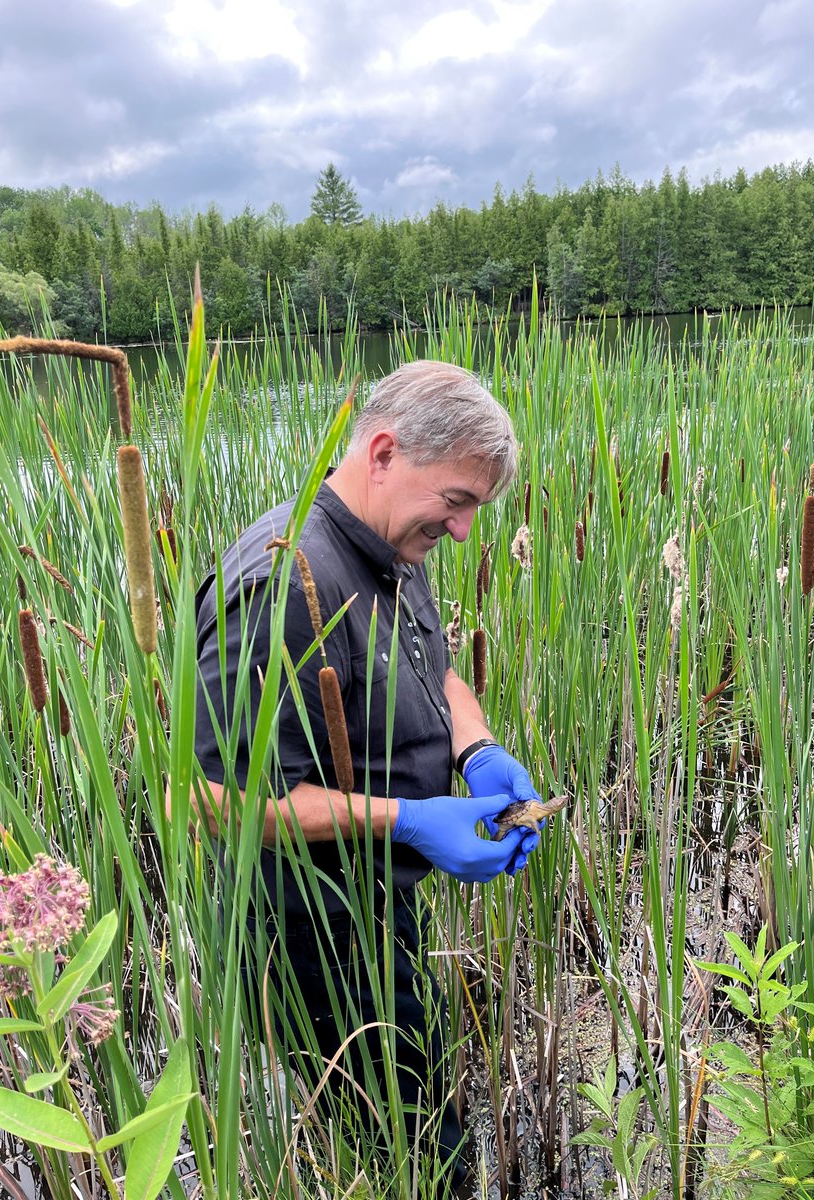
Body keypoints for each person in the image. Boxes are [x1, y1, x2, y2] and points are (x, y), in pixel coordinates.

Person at [189, 360, 543, 1191]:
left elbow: (435, 667)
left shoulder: (390, 540)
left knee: (417, 1115)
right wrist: (410, 820)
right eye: (456, 503)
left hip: (379, 907)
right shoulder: (284, 584)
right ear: (384, 451)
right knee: (410, 1154)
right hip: (314, 934)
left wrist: (476, 750)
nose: (461, 532)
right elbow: (217, 798)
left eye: (474, 511)